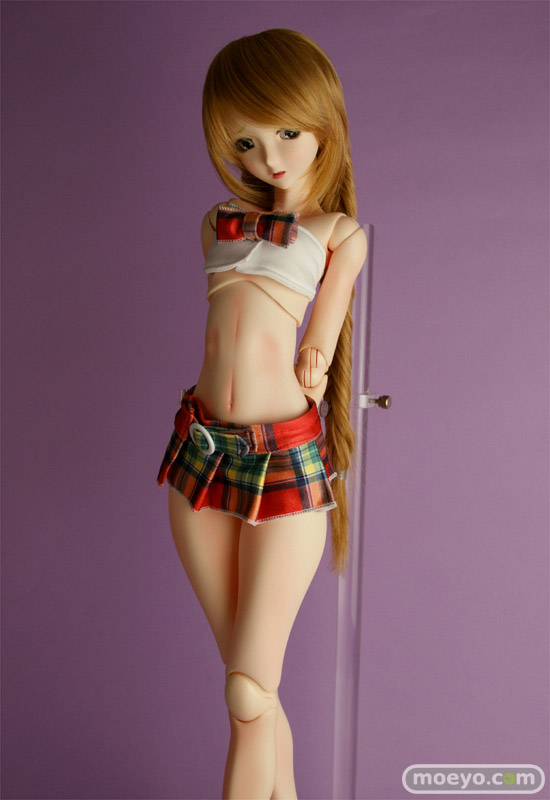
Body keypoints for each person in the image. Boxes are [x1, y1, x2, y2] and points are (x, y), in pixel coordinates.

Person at [157, 28, 367, 799]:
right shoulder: (216, 222)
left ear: (322, 122)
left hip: (282, 459)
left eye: (286, 132)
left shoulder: (339, 233)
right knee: (251, 690)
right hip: (199, 453)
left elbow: (322, 336)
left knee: (248, 692)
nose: (270, 157)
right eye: (246, 142)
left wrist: (317, 353)